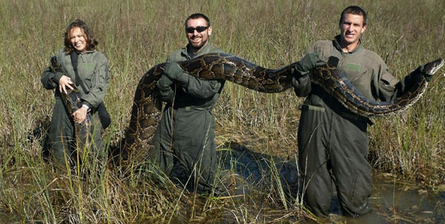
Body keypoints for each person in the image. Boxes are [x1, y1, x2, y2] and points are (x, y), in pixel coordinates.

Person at [291, 6, 434, 218]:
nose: (350, 29)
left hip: (350, 128)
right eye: (347, 23)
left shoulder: (372, 61)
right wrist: (301, 70)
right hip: (314, 121)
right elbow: (301, 90)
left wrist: (418, 78)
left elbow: (393, 96)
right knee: (313, 189)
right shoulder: (320, 49)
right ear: (340, 24)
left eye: (356, 25)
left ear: (364, 28)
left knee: (354, 194)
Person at [150, 13, 225, 194]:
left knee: (203, 182)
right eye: (191, 30)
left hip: (197, 117)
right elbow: (167, 96)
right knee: (154, 172)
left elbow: (206, 91)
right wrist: (164, 87)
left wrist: (180, 76)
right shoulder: (176, 56)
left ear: (209, 30)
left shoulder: (218, 58)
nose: (195, 33)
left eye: (200, 29)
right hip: (170, 116)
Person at [41, 19, 110, 166]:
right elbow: (45, 78)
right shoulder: (61, 56)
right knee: (60, 145)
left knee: (92, 150)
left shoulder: (99, 59)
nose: (76, 40)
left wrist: (85, 108)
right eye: (72, 37)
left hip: (89, 108)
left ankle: (94, 181)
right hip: (62, 107)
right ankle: (63, 180)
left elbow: (99, 87)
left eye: (80, 36)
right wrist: (57, 77)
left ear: (87, 36)